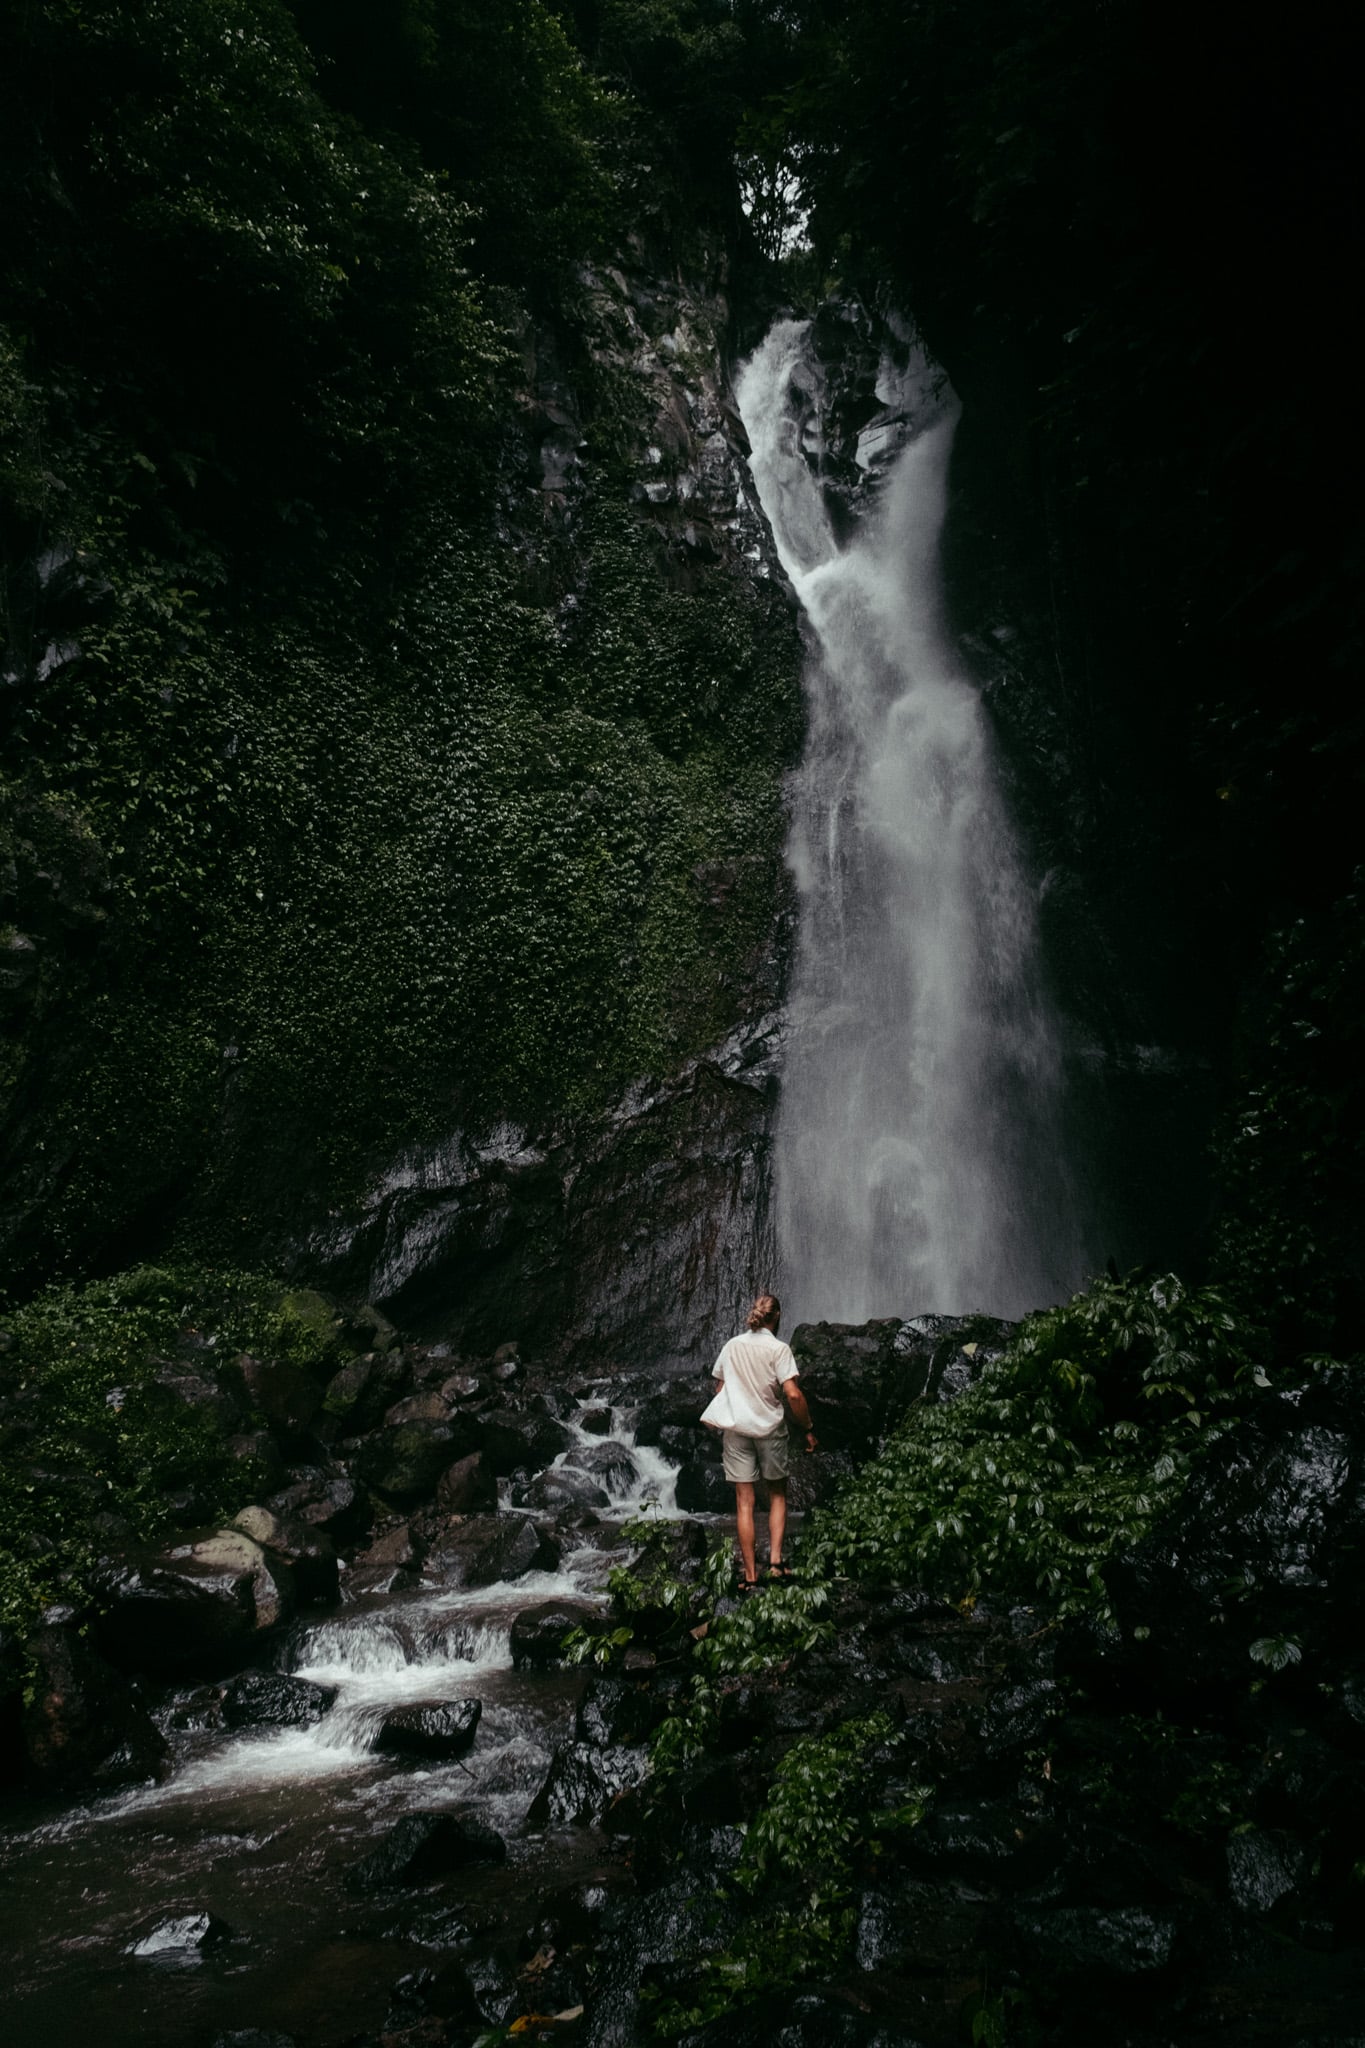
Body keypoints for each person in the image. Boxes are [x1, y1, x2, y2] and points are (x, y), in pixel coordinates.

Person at [711, 1292, 817, 1592]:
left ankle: (750, 1577)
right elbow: (793, 1394)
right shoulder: (779, 1349)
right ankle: (775, 1563)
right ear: (777, 1316)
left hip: (737, 1429)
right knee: (777, 1494)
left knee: (744, 1502)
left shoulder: (732, 1345)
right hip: (769, 1428)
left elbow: (719, 1390)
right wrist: (807, 1427)